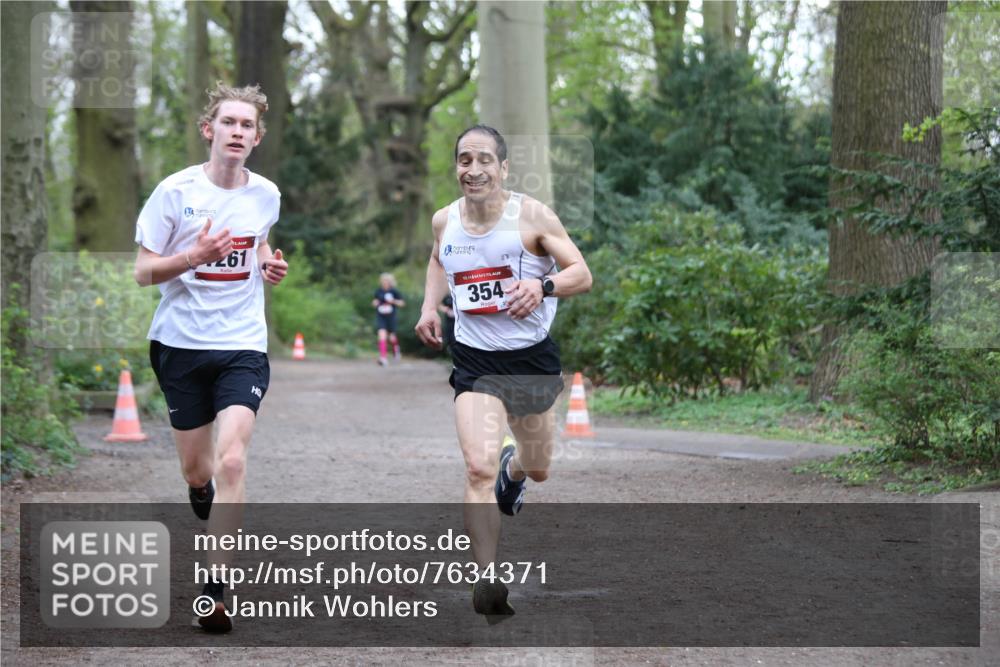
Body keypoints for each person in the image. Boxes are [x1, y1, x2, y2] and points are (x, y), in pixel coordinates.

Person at [415, 125, 592, 619]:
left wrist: (545, 288)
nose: (474, 170)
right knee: (476, 466)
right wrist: (431, 306)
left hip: (530, 360)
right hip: (474, 361)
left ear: (504, 167)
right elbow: (436, 260)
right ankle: (487, 579)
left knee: (538, 467)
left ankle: (514, 474)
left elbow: (582, 272)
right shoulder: (443, 220)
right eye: (465, 160)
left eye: (485, 160)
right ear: (456, 166)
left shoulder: (531, 216)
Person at [133, 81, 288, 633]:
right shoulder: (174, 192)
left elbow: (259, 242)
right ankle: (198, 489)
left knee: (233, 461)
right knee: (199, 469)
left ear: (257, 137)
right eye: (229, 123)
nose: (237, 132)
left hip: (243, 342)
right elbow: (143, 270)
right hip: (179, 342)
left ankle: (216, 586)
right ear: (210, 130)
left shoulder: (265, 194)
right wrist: (193, 255)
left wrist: (267, 264)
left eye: (247, 126)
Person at [372, 273, 405, 365]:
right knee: (382, 335)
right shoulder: (378, 291)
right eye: (383, 281)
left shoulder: (394, 291)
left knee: (391, 337)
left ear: (390, 282)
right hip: (381, 316)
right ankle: (383, 358)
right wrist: (375, 303)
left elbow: (402, 303)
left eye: (387, 281)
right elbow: (375, 301)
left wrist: (393, 301)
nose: (385, 283)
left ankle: (396, 350)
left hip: (391, 317)